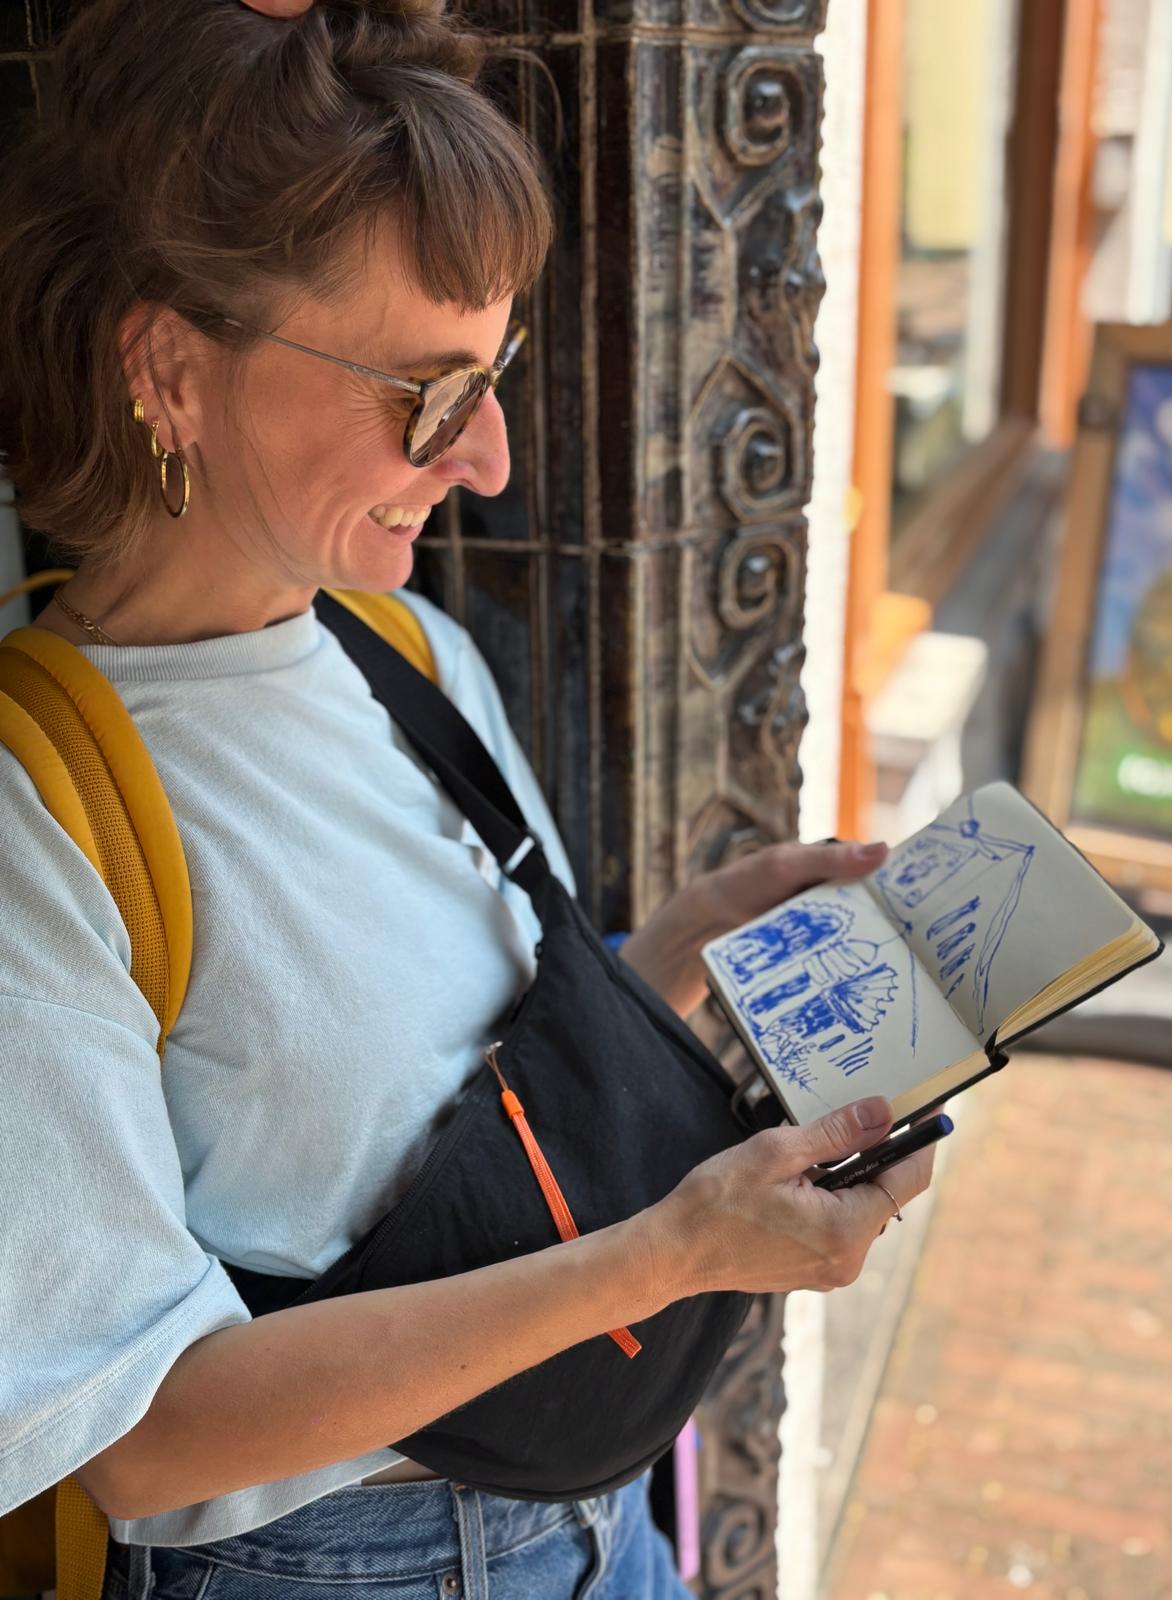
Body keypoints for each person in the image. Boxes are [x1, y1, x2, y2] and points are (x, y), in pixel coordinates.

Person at [0, 1, 937, 1595]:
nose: (488, 457)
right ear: (169, 368)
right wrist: (673, 1254)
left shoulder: (405, 646)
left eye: (494, 375)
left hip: (606, 1532)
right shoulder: (44, 811)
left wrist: (676, 955)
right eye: (423, 394)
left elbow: (438, 1134)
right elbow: (134, 1430)